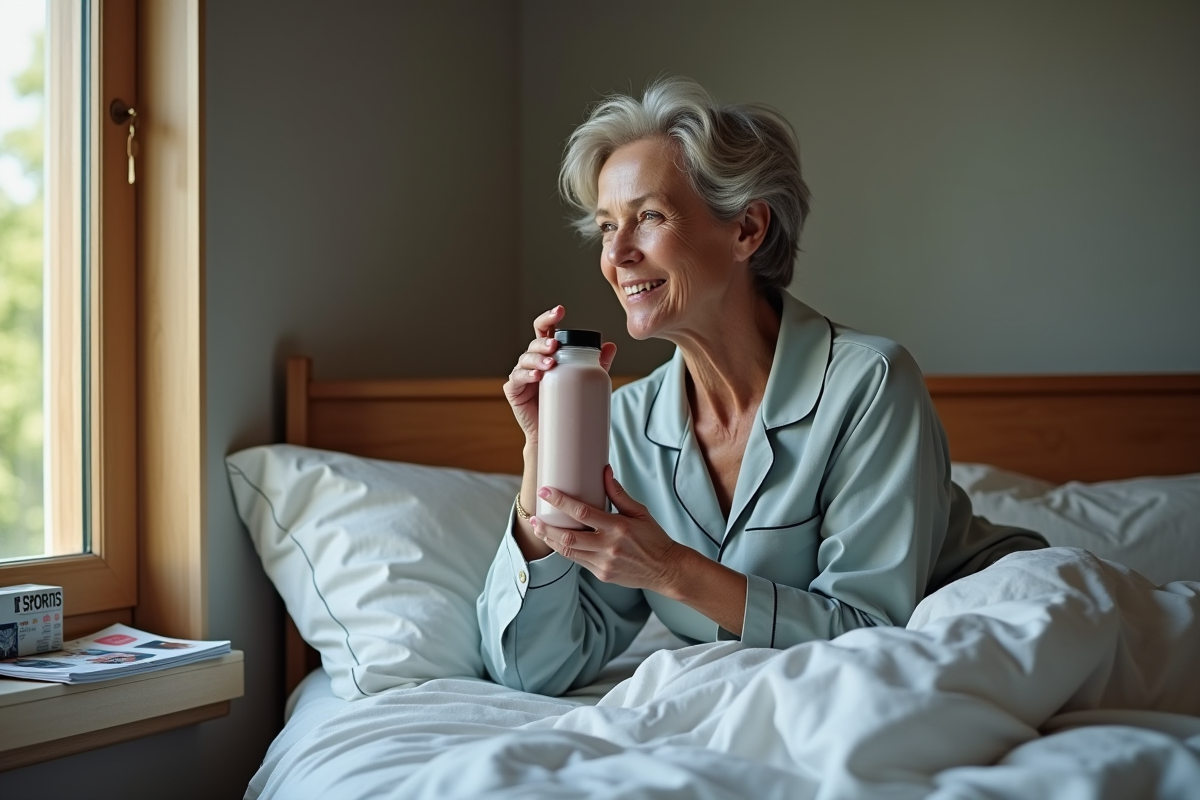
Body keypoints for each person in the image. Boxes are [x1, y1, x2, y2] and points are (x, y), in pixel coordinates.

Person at [478, 76, 1046, 696]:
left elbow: (871, 632)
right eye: (607, 226)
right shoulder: (625, 422)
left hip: (997, 633)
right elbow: (535, 668)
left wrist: (671, 569)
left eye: (647, 217)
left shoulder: (870, 384)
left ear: (747, 229)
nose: (618, 255)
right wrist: (540, 450)